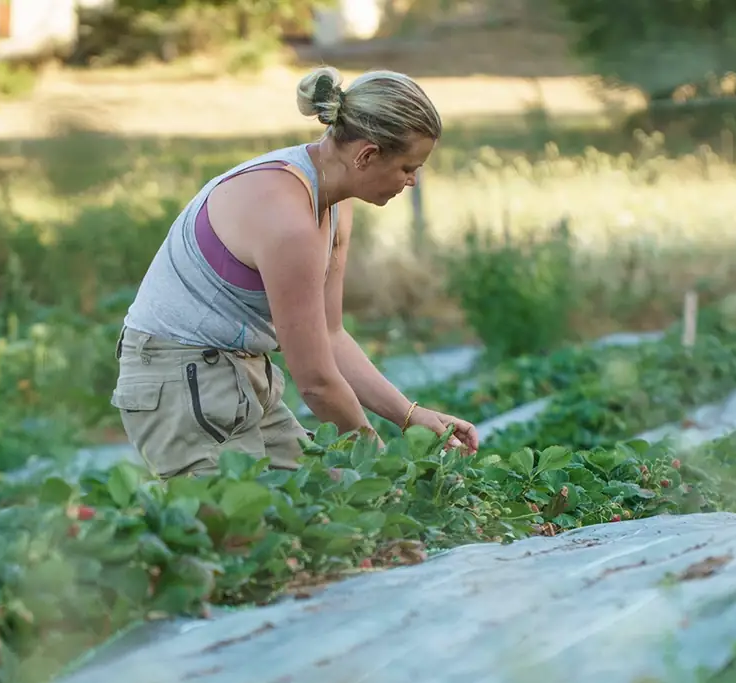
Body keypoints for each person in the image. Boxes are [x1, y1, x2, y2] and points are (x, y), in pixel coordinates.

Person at [110, 66, 481, 479]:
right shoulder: (288, 219)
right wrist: (384, 468)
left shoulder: (335, 202)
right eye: (408, 167)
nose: (412, 181)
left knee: (331, 501)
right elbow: (316, 383)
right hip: (180, 377)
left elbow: (331, 334)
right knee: (244, 532)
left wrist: (410, 415)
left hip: (239, 371)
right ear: (367, 155)